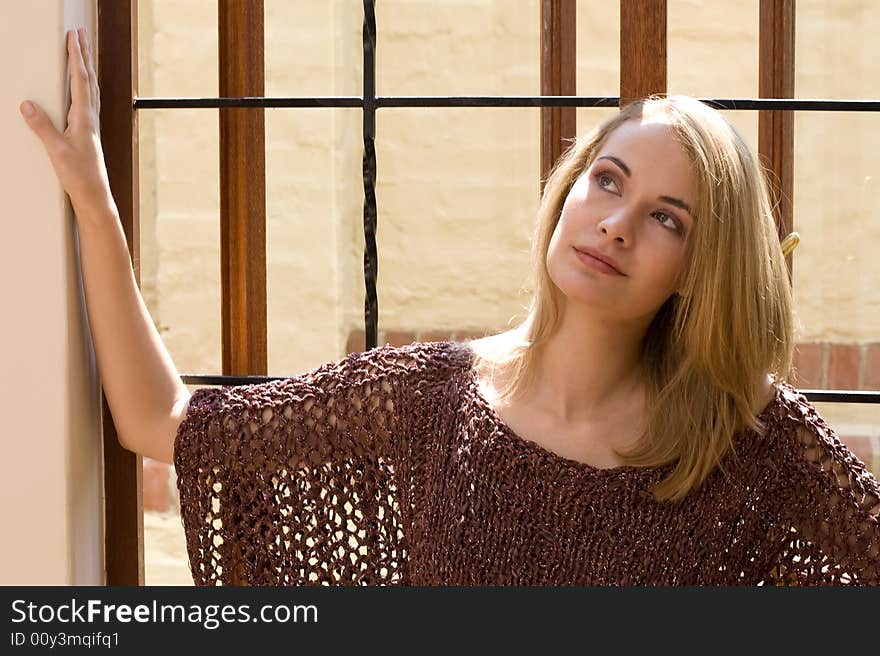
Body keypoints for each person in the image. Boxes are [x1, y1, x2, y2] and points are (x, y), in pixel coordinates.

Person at [23, 28, 880, 586]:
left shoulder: (744, 445)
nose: (616, 224)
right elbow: (161, 420)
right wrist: (95, 204)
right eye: (607, 181)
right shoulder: (433, 400)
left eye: (667, 219)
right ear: (569, 189)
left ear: (701, 268)